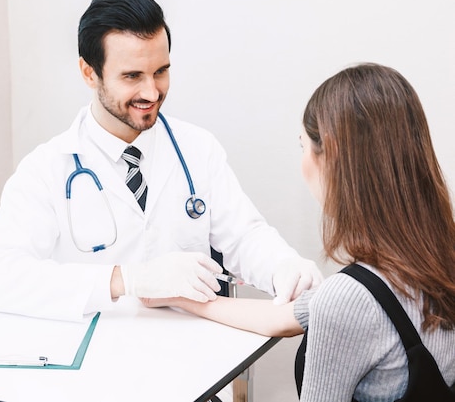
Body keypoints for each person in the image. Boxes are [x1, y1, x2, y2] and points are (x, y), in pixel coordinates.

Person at [0, 0, 322, 322]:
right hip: (95, 360)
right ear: (89, 73)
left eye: (161, 71)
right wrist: (126, 280)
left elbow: (245, 238)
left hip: (193, 358)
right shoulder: (46, 169)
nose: (151, 92)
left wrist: (284, 265)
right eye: (132, 76)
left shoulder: (197, 149)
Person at [142, 63, 455, 401]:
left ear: (332, 155)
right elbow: (282, 319)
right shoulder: (437, 257)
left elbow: (335, 309)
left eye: (302, 145)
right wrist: (178, 297)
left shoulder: (347, 298)